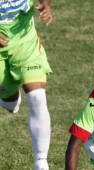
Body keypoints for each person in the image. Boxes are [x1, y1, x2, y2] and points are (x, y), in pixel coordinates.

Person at [0, 0, 53, 169]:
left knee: (37, 98)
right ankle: (8, 98)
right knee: (11, 102)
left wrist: (46, 5)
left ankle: (41, 162)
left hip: (25, 41)